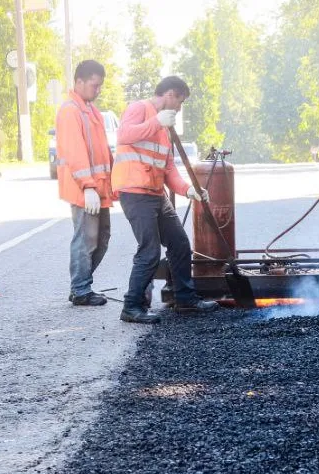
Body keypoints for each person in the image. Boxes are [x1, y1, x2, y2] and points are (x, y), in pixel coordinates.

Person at [112, 75, 218, 324]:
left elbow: (168, 169)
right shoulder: (140, 109)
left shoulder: (165, 130)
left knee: (180, 243)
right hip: (135, 193)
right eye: (179, 103)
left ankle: (186, 300)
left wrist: (189, 190)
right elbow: (124, 135)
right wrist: (156, 121)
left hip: (155, 194)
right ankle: (131, 306)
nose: (179, 109)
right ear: (170, 94)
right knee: (149, 250)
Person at [55, 59, 113, 307]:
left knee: (102, 238)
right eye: (94, 85)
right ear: (79, 82)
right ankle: (80, 289)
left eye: (100, 86)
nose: (97, 90)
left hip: (97, 188)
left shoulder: (90, 110)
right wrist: (88, 186)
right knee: (87, 239)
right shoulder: (71, 111)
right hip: (84, 189)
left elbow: (102, 152)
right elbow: (76, 152)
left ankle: (81, 285)